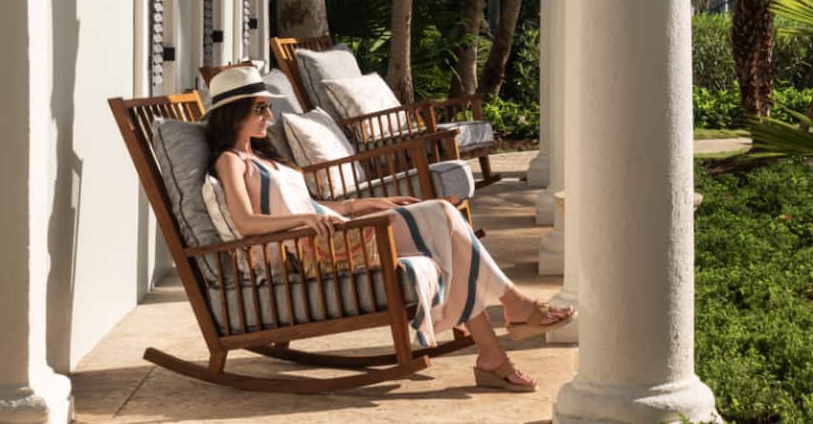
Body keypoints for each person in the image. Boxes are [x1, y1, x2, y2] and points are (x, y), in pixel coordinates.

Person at [204, 65, 573, 392]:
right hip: (308, 250)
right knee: (442, 216)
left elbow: (314, 206)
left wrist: (365, 204)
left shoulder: (265, 157)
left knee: (443, 231)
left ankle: (494, 357)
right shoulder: (230, 161)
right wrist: (302, 221)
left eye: (269, 107)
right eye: (260, 108)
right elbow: (245, 222)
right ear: (234, 114)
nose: (270, 115)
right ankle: (516, 308)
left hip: (330, 232)